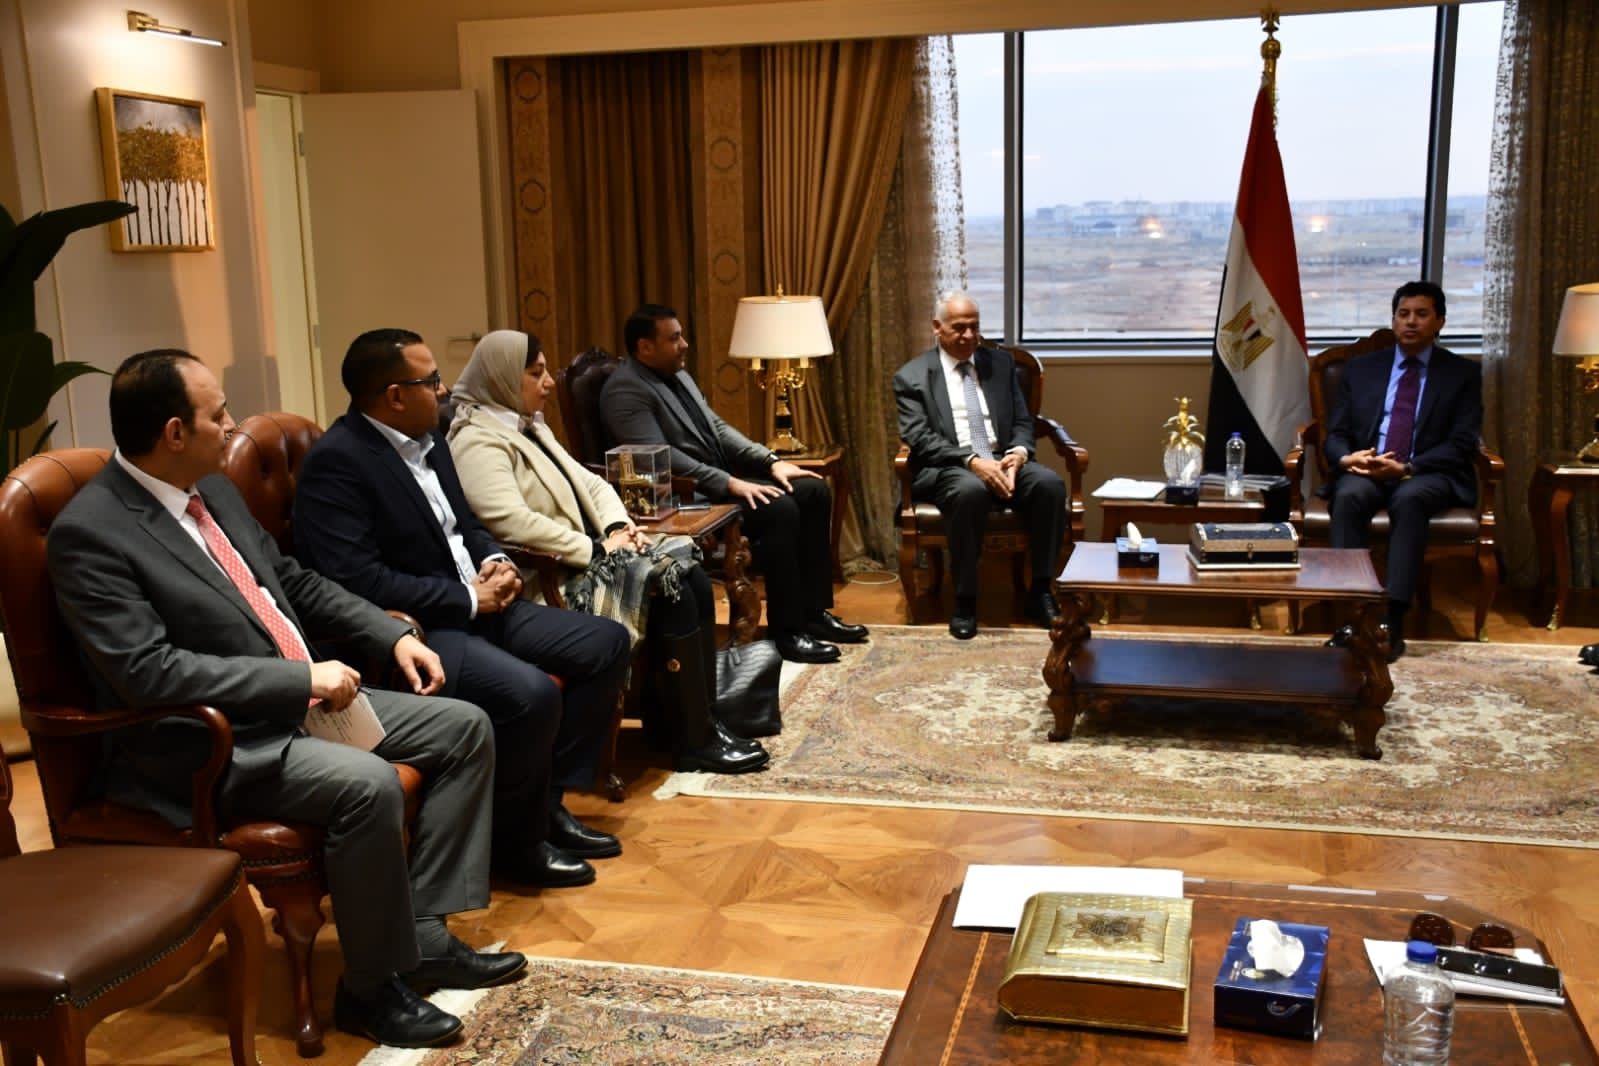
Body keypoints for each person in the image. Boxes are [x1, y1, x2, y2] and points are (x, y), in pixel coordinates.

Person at [46, 349, 524, 1049]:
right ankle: (370, 991)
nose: (231, 425)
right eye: (218, 414)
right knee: (368, 784)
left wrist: (387, 634)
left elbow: (292, 582)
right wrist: (300, 682)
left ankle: (422, 937)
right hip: (212, 743)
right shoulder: (90, 533)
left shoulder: (213, 491)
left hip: (300, 702)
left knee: (465, 729)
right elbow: (148, 672)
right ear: (174, 433)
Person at [293, 328, 631, 889]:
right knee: (531, 694)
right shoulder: (339, 461)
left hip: (481, 603)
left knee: (606, 644)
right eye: (430, 380)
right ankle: (516, 845)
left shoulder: (431, 438)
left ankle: (546, 805)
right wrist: (471, 598)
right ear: (394, 396)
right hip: (422, 630)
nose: (444, 388)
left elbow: (467, 526)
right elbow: (358, 581)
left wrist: (496, 561)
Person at [445, 329, 769, 772]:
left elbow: (592, 482)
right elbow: (509, 521)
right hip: (554, 578)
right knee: (670, 588)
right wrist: (596, 548)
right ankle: (692, 740)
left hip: (591, 556)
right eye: (535, 373)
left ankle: (693, 722)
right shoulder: (476, 441)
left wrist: (619, 526)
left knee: (690, 575)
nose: (548, 382)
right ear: (501, 377)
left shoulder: (528, 425)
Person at [600, 303, 868, 664]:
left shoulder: (678, 374)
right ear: (645, 347)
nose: (685, 344)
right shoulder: (624, 390)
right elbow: (661, 457)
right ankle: (787, 632)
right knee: (779, 508)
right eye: (674, 338)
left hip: (718, 481)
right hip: (683, 497)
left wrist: (771, 462)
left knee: (813, 491)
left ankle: (813, 614)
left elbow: (718, 429)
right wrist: (730, 483)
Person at [1323, 280, 1482, 662]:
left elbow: (1462, 442)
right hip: (1368, 467)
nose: (1411, 322)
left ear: (1440, 322)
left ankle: (1391, 621)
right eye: (1403, 314)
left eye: (1421, 314)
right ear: (1394, 320)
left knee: (1410, 499)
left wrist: (1408, 467)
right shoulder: (1362, 369)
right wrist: (1347, 460)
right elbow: (1336, 432)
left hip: (1426, 471)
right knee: (1348, 495)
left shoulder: (1461, 373)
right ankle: (1353, 617)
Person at [894, 292, 1068, 639]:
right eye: (959, 328)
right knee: (970, 491)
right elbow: (920, 438)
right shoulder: (912, 376)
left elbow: (1023, 420)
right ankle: (965, 600)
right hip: (949, 465)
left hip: (1003, 458)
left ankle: (1040, 592)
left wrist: (1018, 453)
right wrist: (971, 461)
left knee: (1049, 485)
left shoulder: (1000, 365)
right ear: (937, 327)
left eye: (975, 327)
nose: (970, 336)